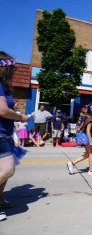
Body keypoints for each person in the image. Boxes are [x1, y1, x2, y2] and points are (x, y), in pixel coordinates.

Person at [0, 51, 30, 221]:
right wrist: (21, 117)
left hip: (5, 133)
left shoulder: (3, 87)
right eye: (12, 68)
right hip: (0, 134)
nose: (14, 72)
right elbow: (2, 110)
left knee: (3, 171)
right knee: (7, 169)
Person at [67, 103, 92, 176]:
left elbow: (82, 126)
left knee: (88, 154)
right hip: (89, 138)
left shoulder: (87, 118)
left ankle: (72, 163)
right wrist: (91, 141)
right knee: (91, 153)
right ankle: (91, 171)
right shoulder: (90, 120)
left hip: (85, 137)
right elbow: (88, 131)